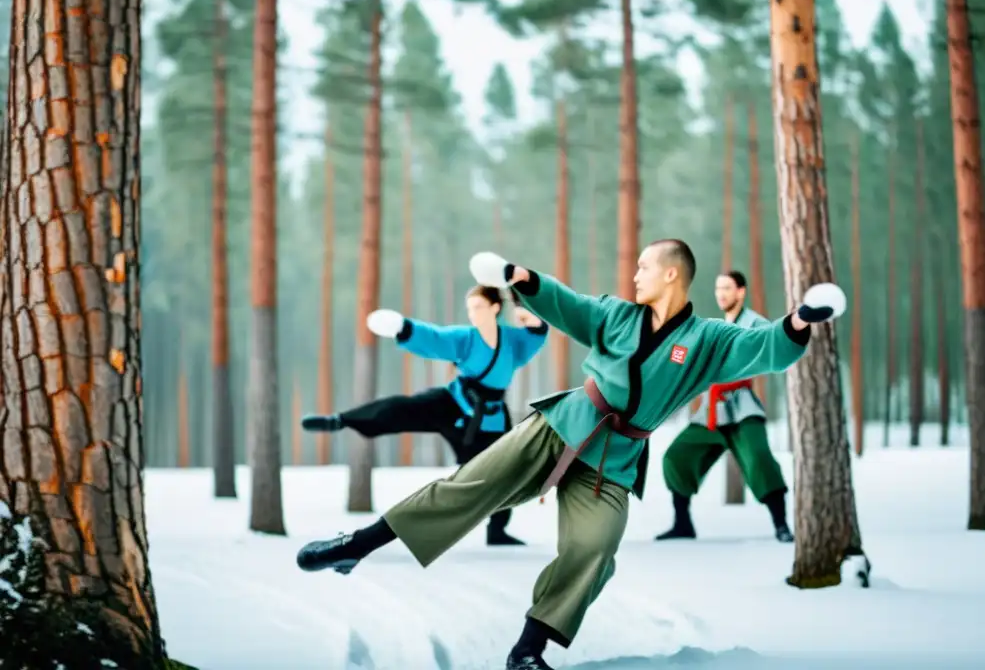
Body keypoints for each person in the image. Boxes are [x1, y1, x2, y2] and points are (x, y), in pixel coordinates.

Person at [295, 239, 846, 670]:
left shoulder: (706, 340)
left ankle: (527, 651)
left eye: (644, 268)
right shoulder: (614, 314)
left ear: (671, 274)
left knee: (595, 546)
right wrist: (519, 277)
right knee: (471, 485)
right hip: (564, 424)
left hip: (616, 457)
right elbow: (566, 304)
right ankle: (357, 545)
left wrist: (801, 318)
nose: (635, 275)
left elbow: (767, 347)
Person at [300, 285, 549, 546]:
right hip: (454, 403)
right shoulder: (466, 338)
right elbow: (435, 338)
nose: (473, 314)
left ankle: (497, 529)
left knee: (501, 473)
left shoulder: (512, 342)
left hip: (490, 420)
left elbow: (537, 333)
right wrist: (404, 328)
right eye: (470, 308)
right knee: (403, 408)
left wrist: (528, 316)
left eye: (478, 307)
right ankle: (342, 420)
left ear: (495, 308)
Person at [657, 270, 794, 543]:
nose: (721, 294)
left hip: (742, 408)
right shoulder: (712, 326)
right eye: (718, 288)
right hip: (710, 411)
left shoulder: (754, 322)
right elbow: (683, 351)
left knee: (759, 459)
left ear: (741, 292)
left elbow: (775, 342)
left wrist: (795, 326)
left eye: (727, 288)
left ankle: (781, 525)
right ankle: (682, 523)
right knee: (676, 457)